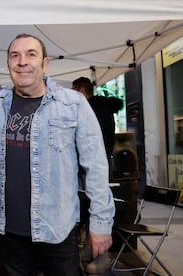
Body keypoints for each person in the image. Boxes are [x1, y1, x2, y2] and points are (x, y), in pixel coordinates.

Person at [0, 33, 115, 276]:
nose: (22, 61)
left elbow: (95, 167)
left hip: (57, 230)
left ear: (45, 64)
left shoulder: (73, 103)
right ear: (9, 64)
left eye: (31, 54)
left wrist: (101, 223)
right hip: (9, 231)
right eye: (15, 55)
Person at [72, 76, 123, 273]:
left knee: (94, 204)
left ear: (82, 90)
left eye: (75, 91)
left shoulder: (90, 108)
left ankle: (101, 255)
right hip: (104, 162)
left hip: (93, 165)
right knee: (94, 203)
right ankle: (91, 250)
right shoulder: (104, 105)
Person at [72, 76, 123, 160]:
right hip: (105, 158)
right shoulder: (104, 105)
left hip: (92, 161)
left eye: (73, 92)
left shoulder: (88, 109)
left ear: (82, 91)